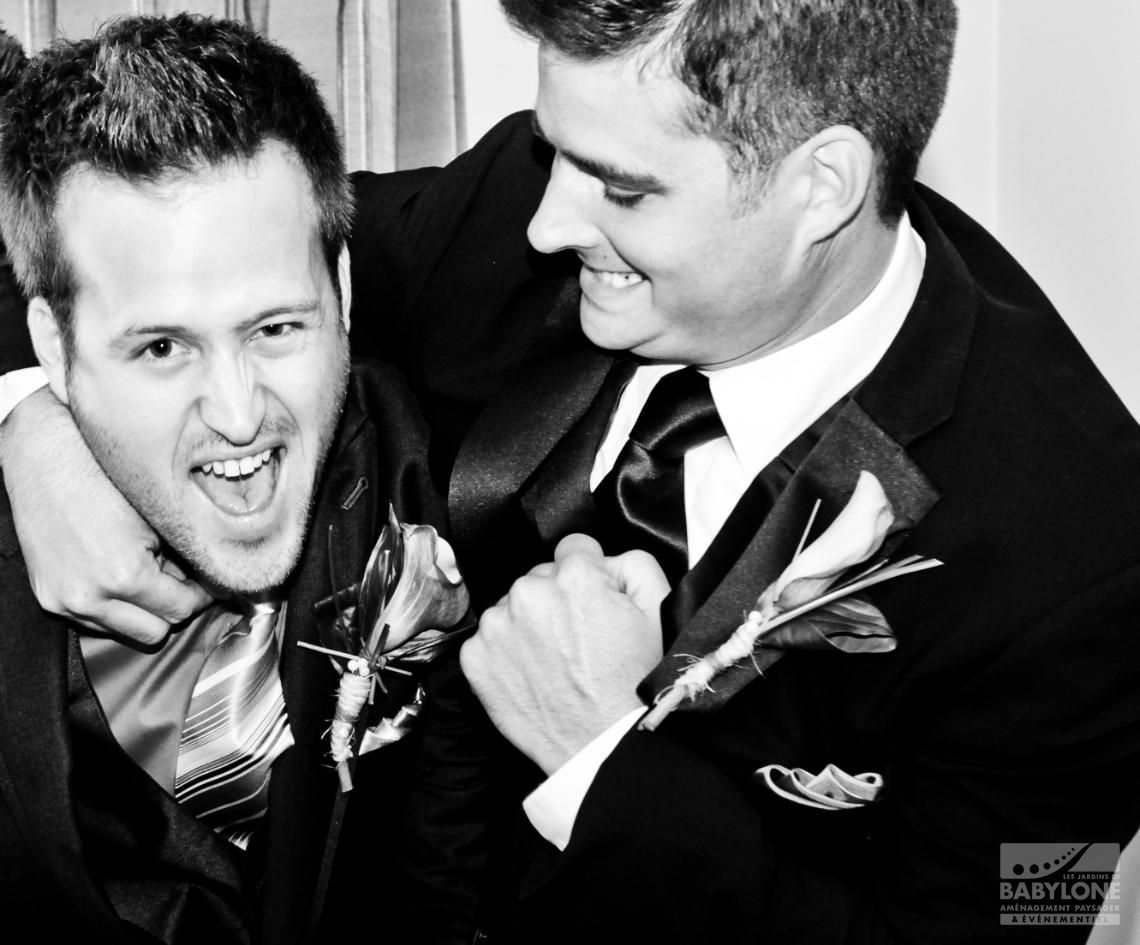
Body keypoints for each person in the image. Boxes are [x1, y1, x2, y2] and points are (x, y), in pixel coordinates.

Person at [3, 1, 1140, 943]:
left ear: (823, 186)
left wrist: (604, 767)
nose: (548, 222)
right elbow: (185, 249)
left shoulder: (1092, 560)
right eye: (554, 152)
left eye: (622, 188)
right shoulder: (533, 197)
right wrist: (37, 420)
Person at [0, 15, 487, 944]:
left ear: (343, 288)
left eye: (276, 328)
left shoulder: (444, 470)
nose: (236, 412)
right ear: (51, 351)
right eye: (160, 347)